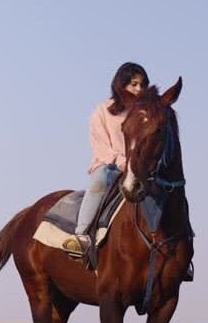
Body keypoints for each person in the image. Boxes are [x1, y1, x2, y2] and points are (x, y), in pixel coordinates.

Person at [62, 62, 150, 255]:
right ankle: (81, 234)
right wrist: (123, 162)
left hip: (137, 168)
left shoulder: (145, 115)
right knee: (99, 178)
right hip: (110, 167)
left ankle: (177, 245)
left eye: (142, 85)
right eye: (134, 84)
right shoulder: (102, 111)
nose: (139, 89)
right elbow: (101, 148)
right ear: (121, 85)